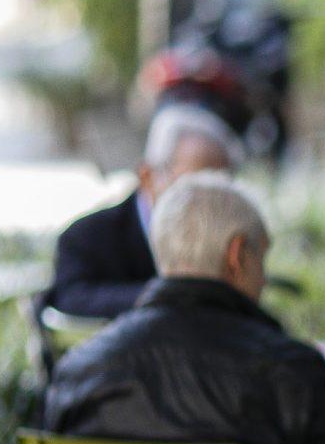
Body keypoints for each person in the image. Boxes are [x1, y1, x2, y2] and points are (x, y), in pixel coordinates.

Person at [43, 173, 325, 444]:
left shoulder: (77, 371)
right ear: (237, 256)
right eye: (262, 258)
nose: (263, 279)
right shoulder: (292, 372)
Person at [44, 103, 244, 320]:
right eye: (193, 186)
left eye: (222, 191)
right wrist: (170, 293)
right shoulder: (88, 236)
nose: (210, 203)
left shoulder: (230, 241)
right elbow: (69, 299)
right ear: (147, 175)